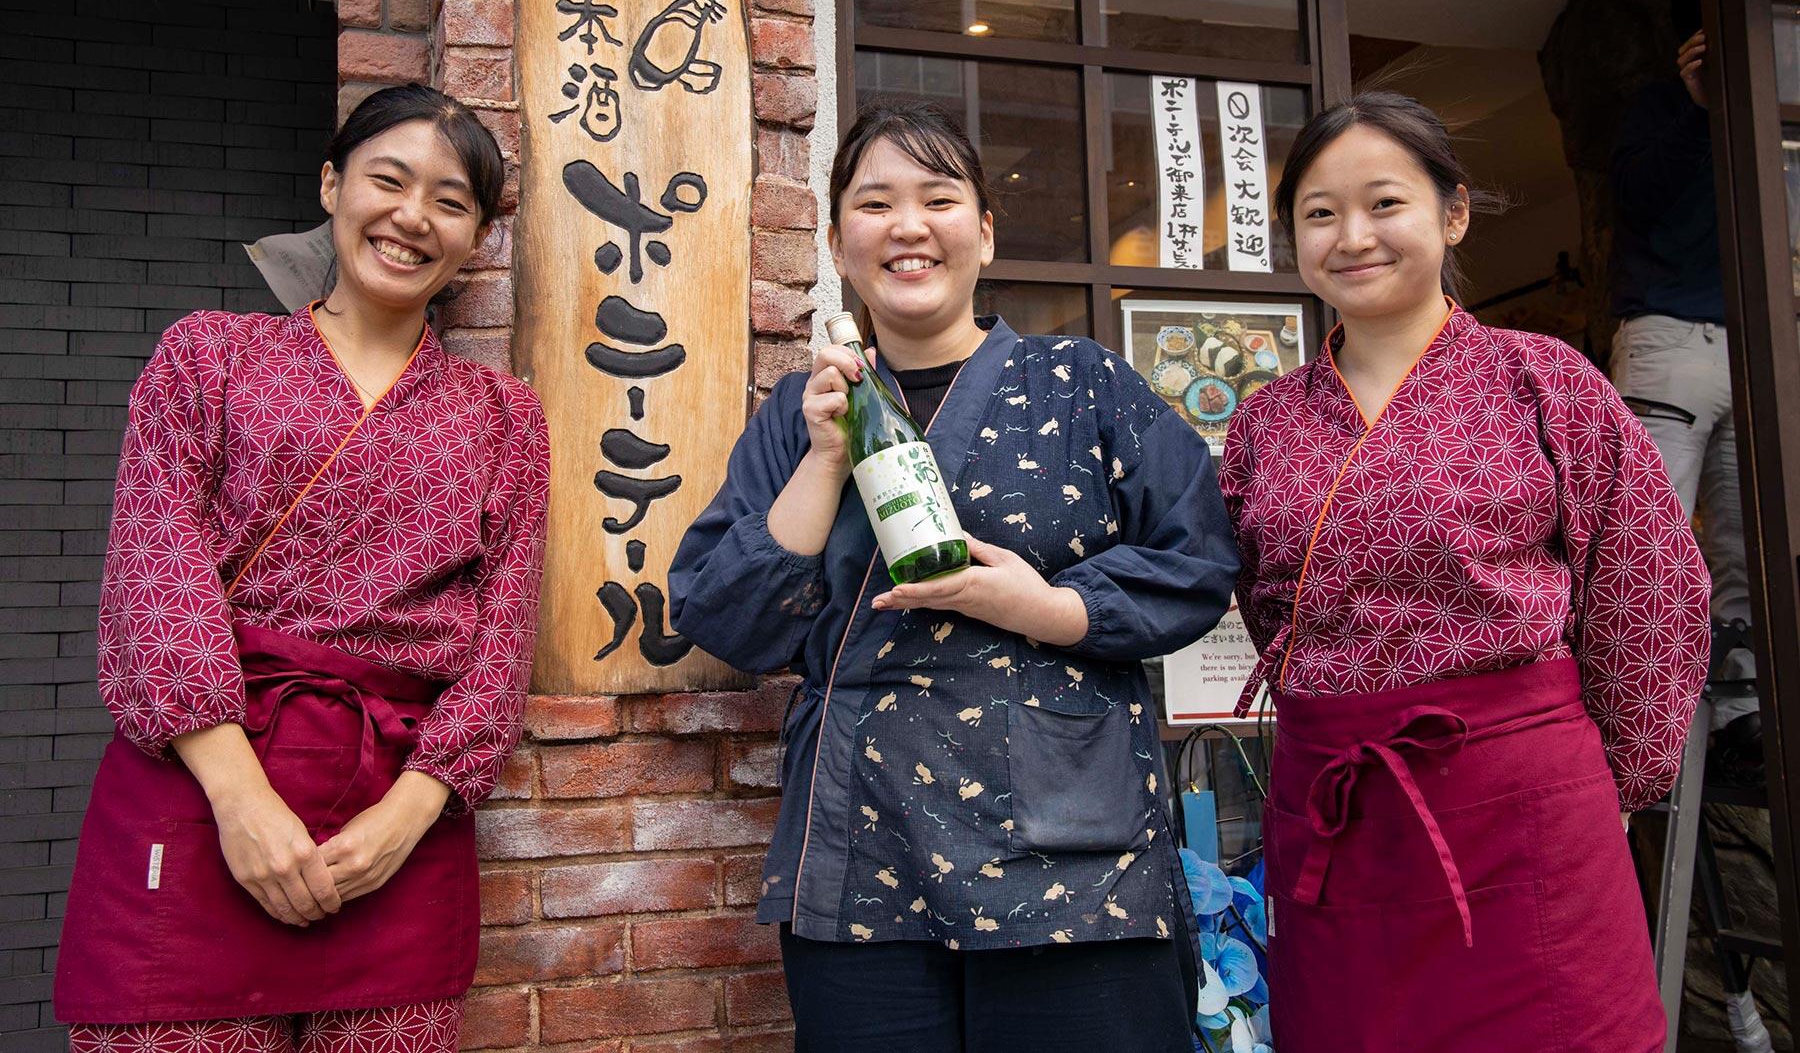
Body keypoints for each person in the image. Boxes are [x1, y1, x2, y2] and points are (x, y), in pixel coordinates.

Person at [670, 99, 1239, 1053]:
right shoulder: (798, 413)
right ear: (838, 239)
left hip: (1074, 854)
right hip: (863, 846)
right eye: (874, 202)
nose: (907, 227)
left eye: (937, 199)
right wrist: (822, 456)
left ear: (982, 230)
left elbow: (1199, 558)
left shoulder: (1085, 383)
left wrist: (1050, 607)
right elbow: (723, 615)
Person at [55, 84, 551, 1053]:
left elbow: (502, 645)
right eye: (389, 179)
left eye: (451, 201)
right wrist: (240, 801)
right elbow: (159, 578)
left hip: (397, 818)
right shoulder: (207, 357)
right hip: (204, 787)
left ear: (479, 238)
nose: (413, 216)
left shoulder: (506, 417)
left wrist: (412, 811)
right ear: (332, 183)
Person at [1220, 91, 1709, 1052]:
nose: (1352, 236)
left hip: (1527, 812)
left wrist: (1609, 785)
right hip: (1336, 812)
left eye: (1384, 203)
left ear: (1453, 213)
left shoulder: (1547, 380)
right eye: (1320, 214)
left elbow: (1648, 587)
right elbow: (1265, 603)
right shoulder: (1263, 423)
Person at [1609, 0, 1758, 776]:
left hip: (1756, 341)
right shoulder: (1659, 109)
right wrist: (1696, 107)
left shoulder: (1770, 117)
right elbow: (1636, 198)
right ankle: (1648, 717)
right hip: (1668, 334)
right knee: (1652, 538)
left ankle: (1744, 717)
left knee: (1748, 545)